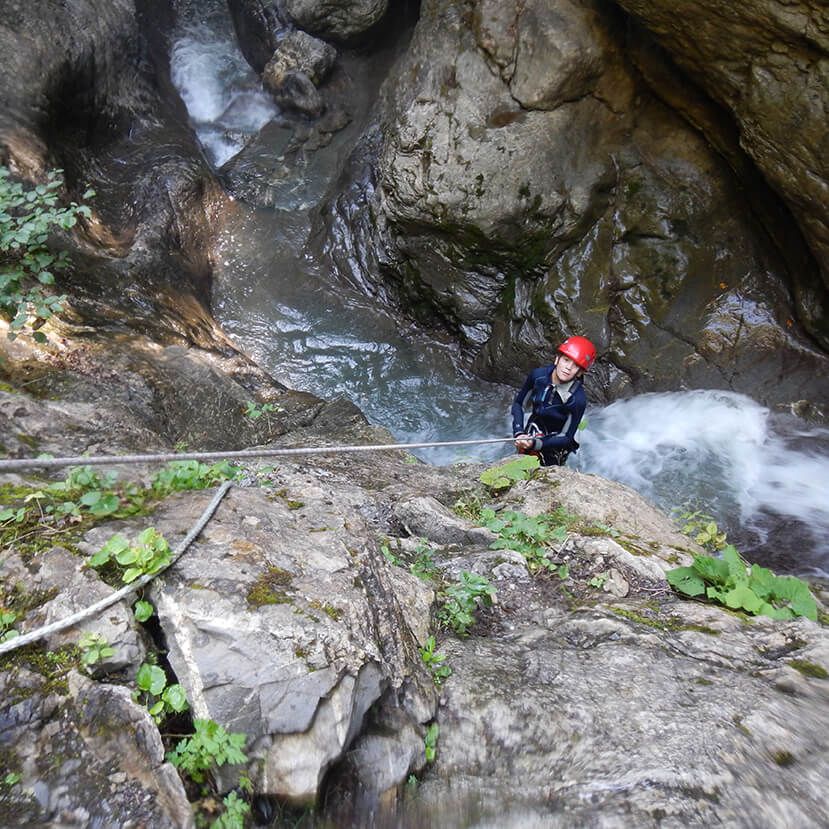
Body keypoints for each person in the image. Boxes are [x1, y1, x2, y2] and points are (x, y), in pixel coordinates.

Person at [511, 336, 597, 467]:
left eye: (575, 366)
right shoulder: (537, 376)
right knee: (520, 464)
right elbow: (518, 404)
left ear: (579, 373)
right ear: (557, 359)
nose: (568, 368)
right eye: (566, 360)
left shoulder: (577, 400)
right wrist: (519, 431)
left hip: (557, 442)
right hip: (533, 426)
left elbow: (567, 438)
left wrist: (536, 443)